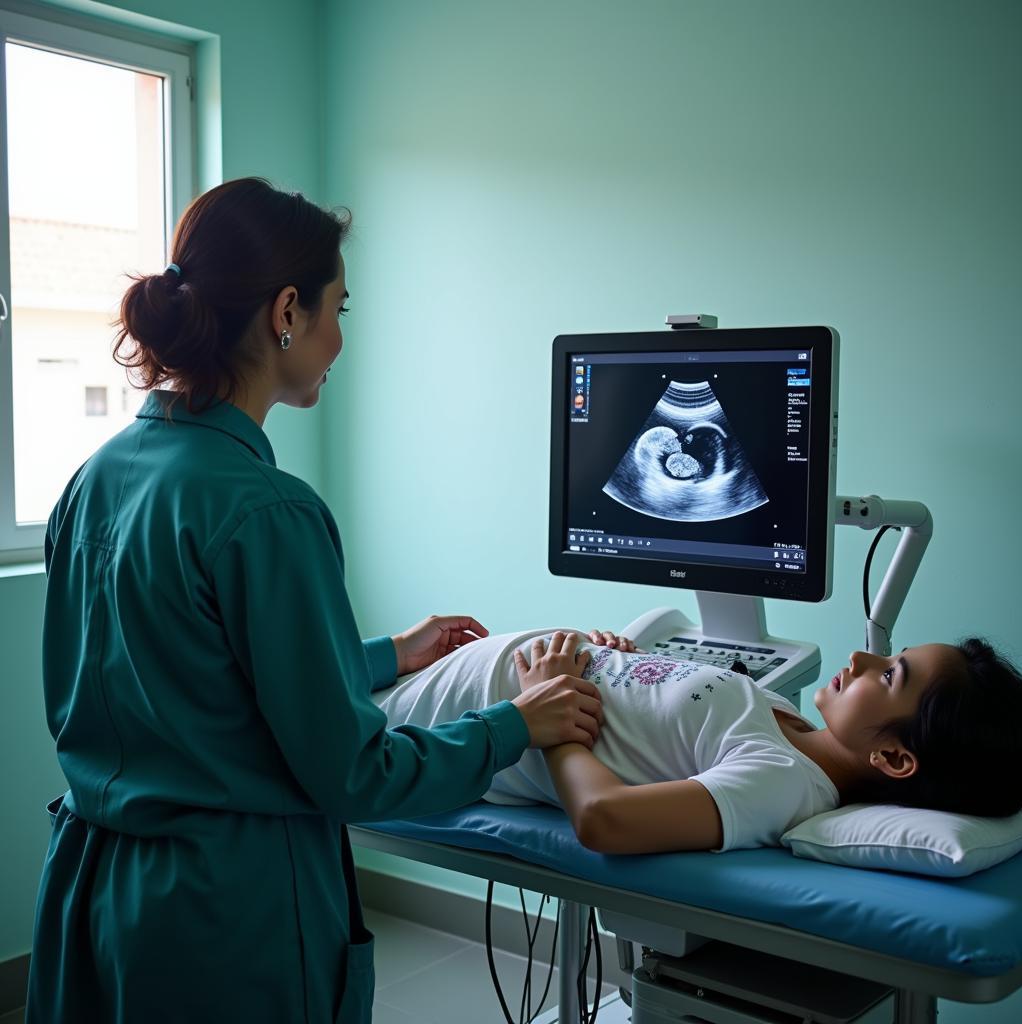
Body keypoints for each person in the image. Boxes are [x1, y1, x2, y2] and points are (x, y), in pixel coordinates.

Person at [26, 178, 604, 1024]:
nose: (338, 340)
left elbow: (184, 675)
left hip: (94, 894)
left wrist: (384, 657)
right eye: (339, 308)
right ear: (286, 311)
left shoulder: (98, 478)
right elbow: (354, 776)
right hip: (225, 918)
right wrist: (517, 720)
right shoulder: (269, 511)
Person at [374, 628, 1022, 854]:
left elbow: (604, 821)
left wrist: (552, 718)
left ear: (894, 758)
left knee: (285, 706)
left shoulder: (783, 782)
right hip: (456, 671)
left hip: (444, 719)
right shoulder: (786, 721)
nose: (861, 657)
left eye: (891, 675)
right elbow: (653, 712)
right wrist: (614, 656)